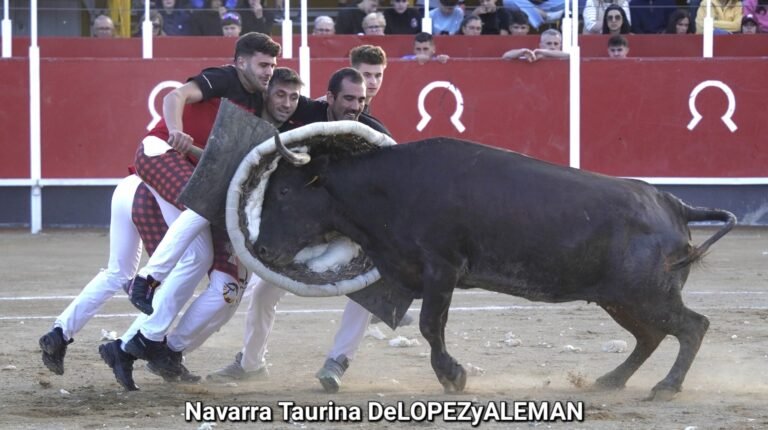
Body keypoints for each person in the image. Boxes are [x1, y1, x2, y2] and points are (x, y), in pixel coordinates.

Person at [100, 32, 281, 390]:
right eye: (263, 65)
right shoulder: (226, 78)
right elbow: (176, 95)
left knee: (230, 288)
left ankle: (160, 349)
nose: (269, 73)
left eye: (273, 66)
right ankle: (147, 280)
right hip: (172, 162)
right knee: (197, 250)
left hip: (216, 187)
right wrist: (178, 132)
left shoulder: (268, 98)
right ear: (241, 61)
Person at [206, 69, 391, 394]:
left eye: (361, 99)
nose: (355, 106)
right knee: (263, 292)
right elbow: (272, 100)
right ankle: (251, 364)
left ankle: (338, 361)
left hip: (346, 232)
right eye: (348, 98)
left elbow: (396, 178)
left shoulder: (373, 133)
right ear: (328, 98)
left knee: (368, 288)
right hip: (304, 229)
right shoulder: (306, 111)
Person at [501, 28, 569, 61]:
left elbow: (569, 55)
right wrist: (522, 51)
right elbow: (506, 56)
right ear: (541, 45)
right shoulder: (534, 56)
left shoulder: (563, 58)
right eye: (549, 43)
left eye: (556, 44)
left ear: (560, 45)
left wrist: (541, 51)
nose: (552, 46)